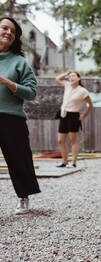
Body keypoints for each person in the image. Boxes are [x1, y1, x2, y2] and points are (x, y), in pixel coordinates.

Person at [0, 16, 39, 214]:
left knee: (18, 159)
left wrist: (9, 83)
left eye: (13, 32)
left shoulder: (19, 63)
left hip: (11, 117)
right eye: (5, 28)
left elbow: (31, 92)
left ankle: (23, 197)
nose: (8, 33)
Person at [55, 70, 93, 168]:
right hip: (64, 114)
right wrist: (66, 73)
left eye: (73, 76)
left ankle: (74, 162)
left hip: (73, 116)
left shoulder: (82, 91)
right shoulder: (67, 85)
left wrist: (84, 115)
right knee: (60, 140)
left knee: (73, 140)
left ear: (79, 78)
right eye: (70, 76)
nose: (71, 78)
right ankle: (64, 162)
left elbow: (90, 105)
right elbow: (58, 78)